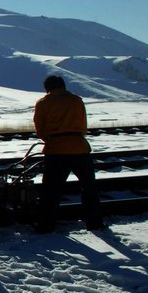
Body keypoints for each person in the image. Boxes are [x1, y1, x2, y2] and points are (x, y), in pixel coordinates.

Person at [33, 74, 104, 232]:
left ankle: (46, 225)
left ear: (48, 88)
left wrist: (51, 139)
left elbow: (40, 128)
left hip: (56, 150)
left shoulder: (44, 103)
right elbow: (83, 126)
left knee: (51, 191)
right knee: (89, 189)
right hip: (80, 148)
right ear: (63, 86)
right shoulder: (77, 100)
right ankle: (95, 223)